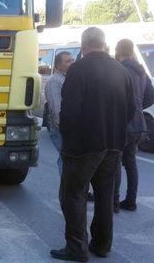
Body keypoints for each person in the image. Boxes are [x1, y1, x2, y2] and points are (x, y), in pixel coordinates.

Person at [51, 27, 135, 262]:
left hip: (83, 146)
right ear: (103, 43)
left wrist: (68, 137)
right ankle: (101, 245)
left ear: (83, 45)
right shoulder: (121, 70)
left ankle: (76, 248)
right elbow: (131, 109)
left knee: (73, 194)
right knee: (105, 195)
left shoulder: (78, 69)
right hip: (113, 144)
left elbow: (69, 112)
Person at [114, 39, 154, 212]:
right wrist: (139, 108)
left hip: (122, 124)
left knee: (115, 163)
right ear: (131, 51)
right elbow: (152, 96)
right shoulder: (141, 71)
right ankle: (131, 201)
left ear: (118, 51)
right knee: (131, 164)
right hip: (139, 124)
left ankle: (114, 202)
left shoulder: (119, 70)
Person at [44, 51, 73, 176]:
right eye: (68, 61)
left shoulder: (68, 78)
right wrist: (65, 130)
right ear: (58, 65)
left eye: (72, 60)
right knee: (65, 159)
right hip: (60, 129)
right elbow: (56, 111)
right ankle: (66, 191)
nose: (72, 63)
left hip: (67, 127)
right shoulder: (55, 81)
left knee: (68, 159)